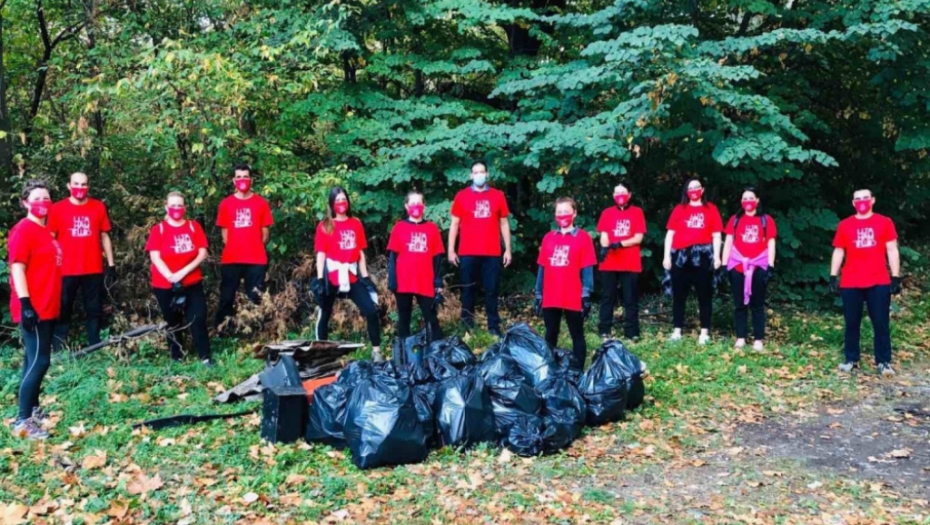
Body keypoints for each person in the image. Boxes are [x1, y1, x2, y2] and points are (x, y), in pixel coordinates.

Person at [9, 180, 62, 439]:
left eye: (46, 198)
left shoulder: (45, 230)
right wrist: (26, 305)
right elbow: (17, 267)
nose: (42, 203)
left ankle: (32, 410)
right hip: (34, 307)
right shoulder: (24, 230)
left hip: (48, 304)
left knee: (33, 360)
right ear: (25, 203)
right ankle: (22, 420)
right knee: (40, 361)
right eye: (37, 198)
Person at [830, 189, 901, 376]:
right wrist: (833, 275)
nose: (862, 202)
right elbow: (839, 250)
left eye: (865, 198)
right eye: (858, 199)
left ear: (873, 200)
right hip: (851, 281)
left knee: (881, 322)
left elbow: (892, 249)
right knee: (851, 322)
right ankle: (851, 359)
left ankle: (884, 362)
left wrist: (895, 276)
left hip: (878, 280)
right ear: (853, 203)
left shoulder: (884, 222)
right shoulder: (845, 225)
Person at [311, 187, 383, 360]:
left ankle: (376, 352)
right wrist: (320, 279)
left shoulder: (355, 223)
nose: (341, 203)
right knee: (325, 312)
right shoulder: (325, 225)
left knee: (370, 310)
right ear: (331, 203)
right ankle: (322, 353)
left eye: (344, 199)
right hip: (332, 276)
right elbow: (321, 254)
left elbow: (360, 253)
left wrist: (365, 277)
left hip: (351, 275)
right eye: (337, 200)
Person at [48, 172, 115, 350]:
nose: (80, 188)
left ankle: (94, 344)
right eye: (76, 184)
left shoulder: (98, 207)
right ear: (68, 186)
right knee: (63, 307)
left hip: (92, 267)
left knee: (94, 308)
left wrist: (111, 264)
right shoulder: (57, 208)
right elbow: (50, 239)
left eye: (83, 184)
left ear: (88, 186)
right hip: (65, 268)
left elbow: (104, 236)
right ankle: (59, 346)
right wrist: (50, 264)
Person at [145, 192, 212, 365]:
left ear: (185, 208)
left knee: (198, 318)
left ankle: (205, 357)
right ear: (166, 207)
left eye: (179, 205)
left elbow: (202, 252)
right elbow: (155, 257)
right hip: (165, 285)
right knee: (172, 322)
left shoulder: (193, 227)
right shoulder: (158, 230)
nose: (176, 209)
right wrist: (171, 276)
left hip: (192, 282)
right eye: (173, 205)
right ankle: (177, 357)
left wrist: (183, 272)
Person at [447, 161, 512, 337]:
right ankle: (467, 327)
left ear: (487, 174)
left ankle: (494, 327)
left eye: (482, 172)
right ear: (471, 175)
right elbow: (454, 224)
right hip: (467, 251)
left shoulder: (498, 196)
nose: (479, 175)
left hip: (492, 251)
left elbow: (504, 223)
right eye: (475, 172)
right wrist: (451, 250)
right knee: (468, 290)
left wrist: (508, 249)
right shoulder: (462, 196)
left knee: (492, 290)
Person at [535, 197, 597, 371]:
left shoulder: (583, 238)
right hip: (551, 294)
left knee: (577, 334)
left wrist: (586, 294)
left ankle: (578, 372)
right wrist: (538, 293)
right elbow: (542, 267)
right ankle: (550, 371)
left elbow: (587, 268)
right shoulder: (548, 238)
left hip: (573, 294)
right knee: (550, 334)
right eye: (559, 212)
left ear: (574, 213)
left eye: (566, 212)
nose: (563, 215)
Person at [663, 178, 723, 345]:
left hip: (703, 256)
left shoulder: (711, 209)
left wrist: (717, 257)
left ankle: (704, 332)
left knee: (704, 294)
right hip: (680, 257)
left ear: (702, 190)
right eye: (690, 188)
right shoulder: (679, 209)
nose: (694, 190)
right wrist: (666, 256)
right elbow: (670, 234)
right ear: (686, 191)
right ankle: (677, 331)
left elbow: (717, 235)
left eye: (697, 187)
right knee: (679, 295)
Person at [214, 164, 274, 331]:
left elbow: (265, 235)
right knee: (226, 298)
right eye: (239, 177)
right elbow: (225, 236)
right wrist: (238, 246)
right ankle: (223, 331)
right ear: (234, 180)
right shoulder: (226, 204)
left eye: (245, 177)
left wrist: (251, 246)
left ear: (251, 180)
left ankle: (253, 332)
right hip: (231, 259)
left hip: (256, 259)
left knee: (255, 297)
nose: (242, 180)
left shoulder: (261, 203)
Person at [722, 187, 777, 352]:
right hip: (737, 265)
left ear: (757, 200)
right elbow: (729, 241)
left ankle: (758, 339)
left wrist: (770, 265)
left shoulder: (766, 220)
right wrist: (724, 265)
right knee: (739, 304)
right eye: (744, 198)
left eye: (751, 198)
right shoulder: (735, 219)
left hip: (759, 266)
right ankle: (741, 337)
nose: (748, 201)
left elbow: (771, 243)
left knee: (757, 304)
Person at [387, 191, 445, 341]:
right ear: (407, 206)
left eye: (419, 203)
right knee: (403, 318)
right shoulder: (399, 227)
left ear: (424, 206)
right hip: (403, 281)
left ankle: (437, 348)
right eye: (412, 203)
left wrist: (438, 281)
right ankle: (404, 351)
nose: (416, 206)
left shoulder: (432, 228)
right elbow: (393, 257)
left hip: (425, 281)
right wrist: (392, 281)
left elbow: (438, 258)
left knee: (431, 318)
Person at [596, 182, 646, 340]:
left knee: (630, 298)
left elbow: (638, 237)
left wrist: (621, 243)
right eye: (617, 192)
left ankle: (632, 332)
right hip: (609, 262)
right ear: (613, 195)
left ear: (629, 194)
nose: (620, 195)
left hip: (630, 263)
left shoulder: (637, 212)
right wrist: (604, 248)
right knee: (607, 296)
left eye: (623, 192)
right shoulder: (607, 213)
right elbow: (604, 235)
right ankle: (604, 329)